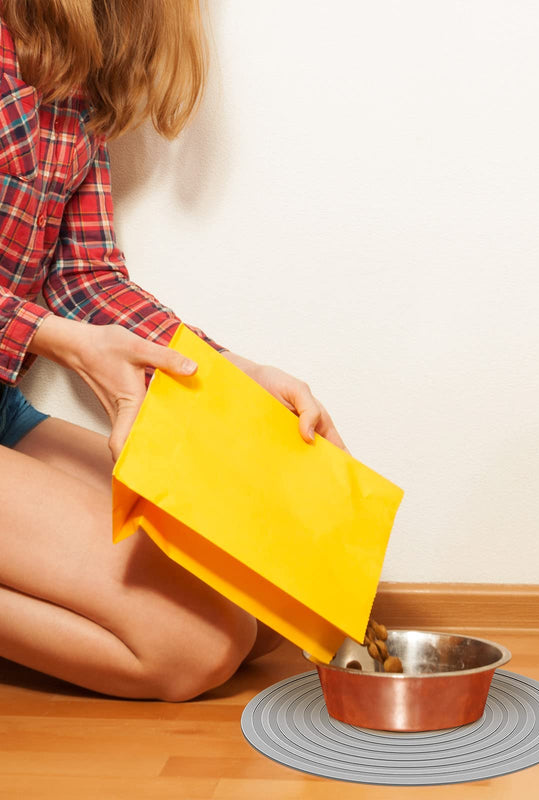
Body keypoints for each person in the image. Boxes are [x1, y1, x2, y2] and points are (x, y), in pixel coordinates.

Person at [0, 1, 346, 701]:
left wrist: (228, 375)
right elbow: (64, 320)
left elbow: (82, 274)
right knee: (198, 646)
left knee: (271, 589)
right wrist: (62, 342)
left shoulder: (65, 71)